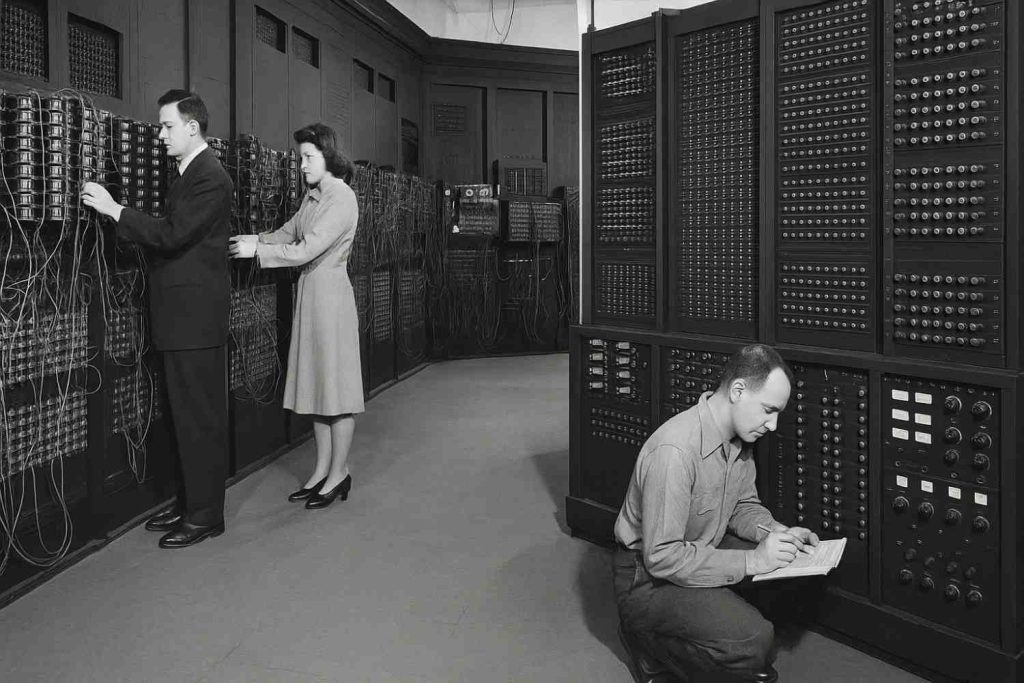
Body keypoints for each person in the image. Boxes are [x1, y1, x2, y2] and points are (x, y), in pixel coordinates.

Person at [612, 344, 819, 683]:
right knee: (754, 640)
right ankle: (646, 643)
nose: (773, 425)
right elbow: (662, 558)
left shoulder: (739, 437)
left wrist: (775, 532)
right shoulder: (674, 451)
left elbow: (742, 506)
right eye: (769, 410)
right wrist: (753, 562)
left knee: (788, 577)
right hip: (645, 579)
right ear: (738, 390)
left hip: (700, 546)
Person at [81, 90, 233, 549]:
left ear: (192, 126)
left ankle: (207, 515)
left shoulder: (210, 177)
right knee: (181, 417)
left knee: (199, 419)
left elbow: (172, 235)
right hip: (180, 319)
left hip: (196, 322)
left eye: (167, 126)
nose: (161, 134)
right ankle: (190, 503)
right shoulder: (188, 174)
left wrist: (114, 209)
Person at [228, 123, 363, 509]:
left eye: (308, 157)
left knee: (337, 394)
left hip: (331, 303)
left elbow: (306, 250)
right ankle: (322, 471)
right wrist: (254, 239)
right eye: (299, 158)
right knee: (319, 390)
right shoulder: (313, 196)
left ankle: (340, 474)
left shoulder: (341, 197)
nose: (301, 165)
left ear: (328, 157)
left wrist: (258, 253)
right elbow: (289, 233)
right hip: (311, 298)